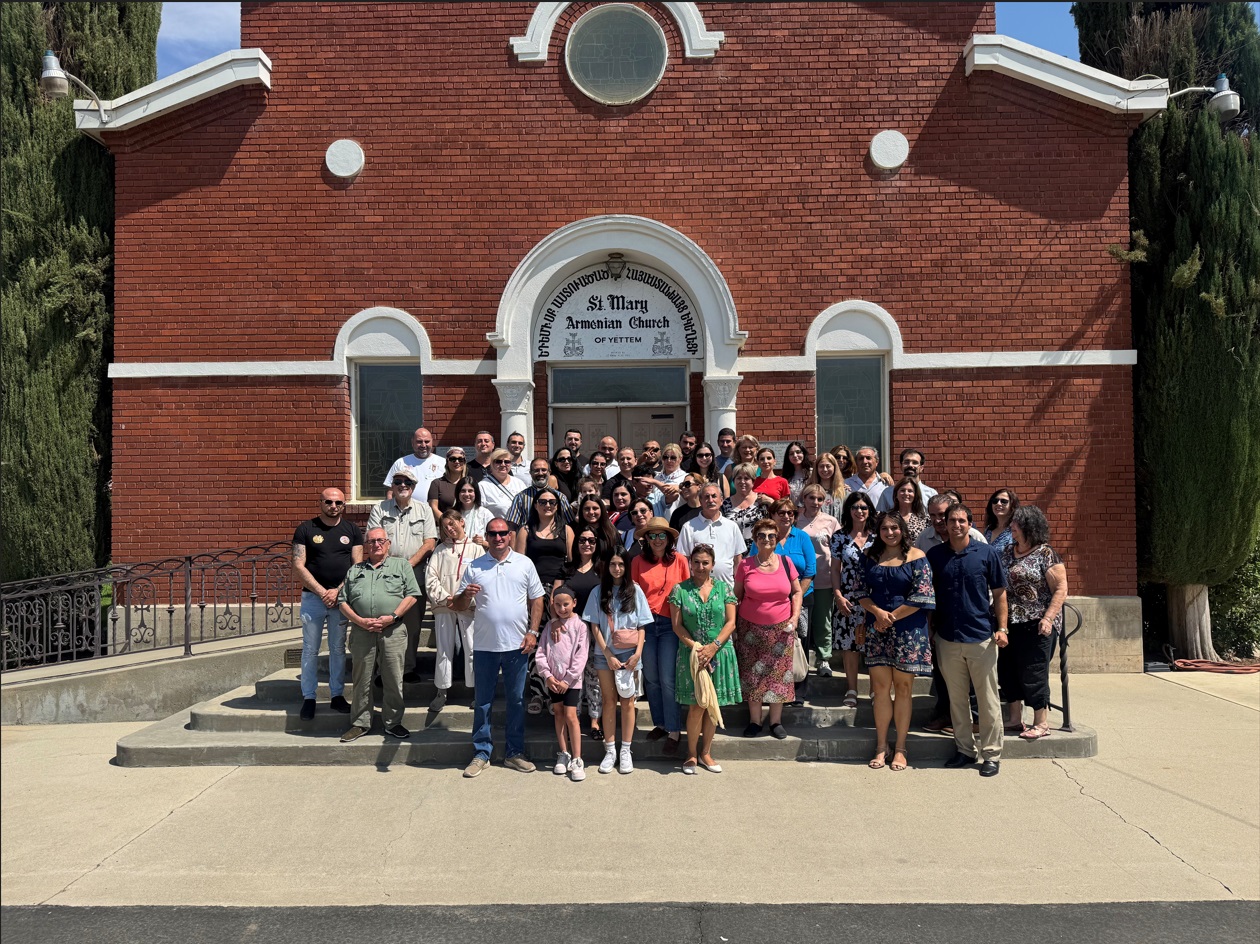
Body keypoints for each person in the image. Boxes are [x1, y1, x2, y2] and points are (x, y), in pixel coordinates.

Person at [452, 517, 545, 777]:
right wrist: (465, 595)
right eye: (493, 534)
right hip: (484, 645)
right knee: (483, 702)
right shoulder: (475, 566)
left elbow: (537, 598)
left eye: (503, 533)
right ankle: (481, 753)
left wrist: (533, 631)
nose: (498, 538)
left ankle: (514, 753)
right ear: (487, 536)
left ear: (511, 536)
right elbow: (458, 606)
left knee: (516, 701)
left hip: (517, 646)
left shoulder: (524, 564)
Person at [928, 503, 1009, 778]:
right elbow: (928, 596)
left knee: (987, 700)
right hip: (947, 637)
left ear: (970, 523)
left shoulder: (986, 553)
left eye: (962, 520)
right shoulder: (935, 555)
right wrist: (930, 630)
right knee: (957, 700)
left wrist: (1003, 628)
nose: (956, 525)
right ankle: (964, 750)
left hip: (981, 637)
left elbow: (999, 594)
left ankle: (992, 754)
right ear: (945, 524)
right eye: (952, 520)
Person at [858, 512, 935, 771]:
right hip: (876, 628)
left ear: (902, 529)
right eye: (884, 529)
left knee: (903, 689)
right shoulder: (869, 557)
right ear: (877, 531)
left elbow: (923, 596)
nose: (890, 532)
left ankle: (900, 747)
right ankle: (882, 746)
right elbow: (859, 592)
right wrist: (878, 614)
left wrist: (889, 617)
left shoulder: (917, 557)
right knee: (880, 689)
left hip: (909, 630)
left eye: (894, 528)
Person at [337, 528, 421, 742]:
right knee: (361, 679)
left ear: (388, 543)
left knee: (393, 678)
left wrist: (392, 617)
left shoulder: (401, 565)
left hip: (393, 631)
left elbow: (412, 595)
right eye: (372, 541)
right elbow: (342, 601)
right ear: (366, 545)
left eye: (380, 540)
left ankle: (393, 722)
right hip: (361, 632)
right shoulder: (355, 570)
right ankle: (360, 723)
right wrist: (360, 621)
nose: (376, 544)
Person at [917, 492, 987, 731]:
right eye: (934, 515)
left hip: (973, 615)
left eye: (943, 515)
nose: (939, 520)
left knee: (974, 673)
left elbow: (986, 578)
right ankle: (946, 714)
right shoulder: (925, 540)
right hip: (941, 615)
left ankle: (976, 718)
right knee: (943, 672)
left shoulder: (974, 537)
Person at [669, 543, 741, 774]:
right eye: (696, 562)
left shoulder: (725, 589)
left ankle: (706, 753)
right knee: (696, 706)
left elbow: (731, 623)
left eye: (705, 562)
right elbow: (677, 626)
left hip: (720, 652)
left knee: (712, 705)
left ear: (713, 564)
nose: (700, 567)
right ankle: (691, 754)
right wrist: (699, 649)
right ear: (690, 562)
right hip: (692, 655)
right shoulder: (679, 590)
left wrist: (713, 646)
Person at [292, 488, 363, 720]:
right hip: (313, 599)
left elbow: (357, 565)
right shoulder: (305, 529)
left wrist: (337, 591)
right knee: (310, 650)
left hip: (341, 599)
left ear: (344, 505)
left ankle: (337, 695)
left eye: (339, 503)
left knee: (338, 648)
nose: (334, 506)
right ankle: (309, 697)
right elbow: (298, 565)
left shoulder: (351, 530)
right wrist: (323, 592)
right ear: (320, 502)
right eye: (329, 502)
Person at [999, 505, 1068, 741]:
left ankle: (1041, 722)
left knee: (1033, 672)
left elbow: (1060, 588)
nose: (1012, 528)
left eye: (1015, 524)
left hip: (1038, 623)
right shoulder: (1008, 552)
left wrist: (1048, 618)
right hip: (1010, 622)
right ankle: (1015, 718)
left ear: (1028, 526)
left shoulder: (1046, 553)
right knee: (1007, 670)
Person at [583, 550, 651, 774]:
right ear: (607, 566)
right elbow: (594, 626)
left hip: (630, 654)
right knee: (609, 700)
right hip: (605, 655)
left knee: (628, 702)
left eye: (621, 564)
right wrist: (607, 654)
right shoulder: (598, 591)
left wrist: (638, 653)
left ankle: (626, 749)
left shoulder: (635, 590)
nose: (617, 569)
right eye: (613, 564)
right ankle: (610, 749)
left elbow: (642, 625)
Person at [368, 467, 438, 683]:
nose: (402, 486)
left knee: (412, 622)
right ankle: (382, 670)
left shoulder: (424, 509)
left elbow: (429, 542)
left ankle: (407, 668)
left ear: (413, 487)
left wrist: (407, 566)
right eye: (398, 482)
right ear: (393, 486)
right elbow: (373, 539)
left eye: (407, 483)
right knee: (384, 619)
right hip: (384, 571)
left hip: (413, 572)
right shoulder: (380, 508)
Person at [735, 519, 803, 739]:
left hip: (781, 629)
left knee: (779, 675)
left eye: (771, 536)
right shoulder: (745, 565)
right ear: (755, 539)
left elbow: (796, 592)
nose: (766, 539)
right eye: (762, 535)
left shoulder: (785, 562)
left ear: (776, 539)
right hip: (750, 628)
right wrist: (733, 627)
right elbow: (737, 596)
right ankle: (755, 721)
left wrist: (794, 617)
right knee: (753, 674)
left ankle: (775, 722)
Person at [631, 516, 691, 755]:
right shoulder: (637, 561)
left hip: (670, 623)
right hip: (646, 624)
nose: (657, 540)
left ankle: (674, 729)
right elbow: (633, 593)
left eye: (661, 535)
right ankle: (661, 723)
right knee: (652, 679)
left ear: (669, 538)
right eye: (652, 535)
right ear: (646, 539)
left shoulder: (680, 561)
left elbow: (687, 591)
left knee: (667, 678)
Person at [512, 485, 573, 714]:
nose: (548, 505)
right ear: (535, 505)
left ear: (558, 506)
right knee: (535, 641)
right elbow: (519, 564)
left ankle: (555, 694)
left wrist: (559, 588)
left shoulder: (566, 530)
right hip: (532, 592)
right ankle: (538, 692)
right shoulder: (526, 530)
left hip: (559, 593)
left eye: (552, 502)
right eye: (543, 502)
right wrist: (529, 593)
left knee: (557, 643)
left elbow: (570, 563)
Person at [424, 509, 484, 711]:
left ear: (462, 522)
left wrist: (465, 598)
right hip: (444, 607)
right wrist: (447, 598)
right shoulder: (439, 550)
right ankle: (441, 691)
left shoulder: (475, 549)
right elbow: (431, 579)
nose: (449, 529)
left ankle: (477, 691)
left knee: (472, 649)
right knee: (444, 649)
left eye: (452, 524)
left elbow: (482, 578)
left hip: (468, 607)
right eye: (445, 526)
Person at [535, 586, 588, 781]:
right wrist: (547, 676)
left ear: (574, 603)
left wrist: (568, 679)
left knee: (571, 715)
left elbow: (581, 656)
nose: (562, 608)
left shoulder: (580, 626)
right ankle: (564, 753)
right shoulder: (550, 626)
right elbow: (541, 652)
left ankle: (577, 758)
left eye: (566, 604)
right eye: (557, 605)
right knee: (557, 713)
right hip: (553, 681)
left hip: (571, 682)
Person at [830, 491, 877, 707]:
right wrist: (838, 595)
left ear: (870, 511)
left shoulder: (878, 536)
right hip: (847, 598)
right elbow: (835, 570)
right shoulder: (839, 537)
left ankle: (876, 689)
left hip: (873, 598)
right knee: (850, 645)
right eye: (855, 507)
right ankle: (852, 689)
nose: (860, 511)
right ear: (849, 510)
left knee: (874, 643)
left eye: (864, 507)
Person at [558, 525, 605, 739]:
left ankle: (595, 721)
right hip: (570, 631)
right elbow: (555, 597)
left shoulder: (602, 568)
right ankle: (573, 719)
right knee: (572, 674)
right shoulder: (567, 568)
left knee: (594, 676)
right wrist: (556, 623)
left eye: (591, 540)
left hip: (596, 630)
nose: (587, 544)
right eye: (582, 540)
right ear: (576, 544)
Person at [769, 497, 816, 704]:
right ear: (772, 515)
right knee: (773, 646)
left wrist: (795, 598)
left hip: (803, 599)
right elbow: (754, 564)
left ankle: (798, 692)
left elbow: (810, 571)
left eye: (791, 513)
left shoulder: (802, 537)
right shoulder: (765, 537)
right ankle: (773, 689)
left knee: (799, 645)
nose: (787, 516)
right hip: (771, 603)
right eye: (782, 512)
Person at [798, 484, 840, 677]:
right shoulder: (795, 519)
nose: (815, 502)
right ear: (803, 498)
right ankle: (800, 659)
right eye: (811, 498)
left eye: (819, 499)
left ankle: (824, 659)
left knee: (823, 620)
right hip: (799, 581)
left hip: (824, 577)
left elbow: (838, 551)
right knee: (800, 622)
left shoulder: (831, 521)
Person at [676, 483, 746, 585]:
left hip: (727, 588)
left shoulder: (732, 526)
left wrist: (738, 586)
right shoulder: (688, 527)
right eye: (706, 497)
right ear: (700, 501)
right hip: (697, 589)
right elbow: (684, 560)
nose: (710, 500)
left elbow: (737, 560)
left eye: (714, 496)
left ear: (721, 500)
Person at [506, 457, 574, 528]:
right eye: (536, 470)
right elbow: (512, 525)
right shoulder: (520, 498)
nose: (540, 473)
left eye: (544, 470)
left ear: (549, 472)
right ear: (530, 473)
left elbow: (570, 523)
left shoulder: (560, 497)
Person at [384, 427, 445, 500]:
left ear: (432, 442)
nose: (423, 445)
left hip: (435, 510)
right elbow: (390, 492)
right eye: (419, 441)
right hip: (407, 510)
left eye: (427, 441)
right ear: (412, 443)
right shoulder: (401, 462)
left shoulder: (443, 463)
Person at [916, 492, 988, 552]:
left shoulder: (974, 536)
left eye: (941, 515)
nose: (937, 520)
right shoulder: (923, 538)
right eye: (933, 515)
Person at [875, 448, 938, 512]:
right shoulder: (888, 493)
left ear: (921, 468)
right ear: (901, 466)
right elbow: (880, 518)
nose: (910, 465)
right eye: (906, 462)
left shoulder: (931, 494)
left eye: (915, 462)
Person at [722, 463, 766, 552]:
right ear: (733, 481)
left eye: (746, 478)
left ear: (753, 481)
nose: (742, 482)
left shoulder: (762, 501)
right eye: (738, 478)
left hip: (757, 552)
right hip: (732, 552)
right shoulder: (725, 503)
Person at [478, 448, 526, 519]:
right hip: (497, 528)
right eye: (498, 462)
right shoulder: (482, 486)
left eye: (507, 462)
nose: (503, 464)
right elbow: (479, 513)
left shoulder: (519, 483)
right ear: (492, 464)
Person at [451, 476, 493, 547]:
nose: (467, 494)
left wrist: (483, 542)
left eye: (470, 491)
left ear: (476, 493)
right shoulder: (451, 514)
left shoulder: (485, 513)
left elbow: (495, 544)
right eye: (463, 491)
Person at [575, 495, 620, 561]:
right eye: (587, 509)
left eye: (595, 508)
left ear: (602, 509)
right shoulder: (575, 531)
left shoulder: (611, 532)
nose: (591, 512)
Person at [428, 445, 468, 516]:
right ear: (447, 462)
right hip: (444, 525)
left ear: (464, 462)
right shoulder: (437, 483)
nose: (457, 462)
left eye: (460, 459)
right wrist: (448, 524)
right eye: (453, 459)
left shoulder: (469, 483)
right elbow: (433, 508)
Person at [888, 476, 929, 543]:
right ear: (896, 494)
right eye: (902, 490)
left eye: (910, 491)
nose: (906, 493)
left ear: (915, 495)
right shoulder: (887, 517)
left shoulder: (925, 519)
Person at [808, 451, 849, 518]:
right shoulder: (808, 491)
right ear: (816, 468)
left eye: (828, 466)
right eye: (821, 466)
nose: (825, 469)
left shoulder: (844, 492)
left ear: (834, 467)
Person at [984, 487, 1020, 559]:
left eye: (1004, 501)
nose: (998, 504)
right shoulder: (989, 529)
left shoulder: (1016, 529)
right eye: (995, 501)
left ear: (1012, 505)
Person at [782, 441, 812, 505]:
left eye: (798, 452)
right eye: (791, 454)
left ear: (804, 454)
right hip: (792, 512)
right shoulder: (785, 476)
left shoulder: (812, 473)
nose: (795, 455)